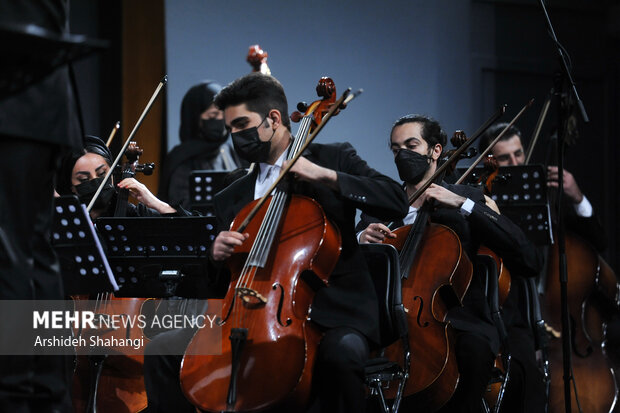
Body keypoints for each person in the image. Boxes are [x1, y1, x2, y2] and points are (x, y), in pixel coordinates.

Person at [143, 72, 408, 413]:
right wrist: (215, 255)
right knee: (163, 348)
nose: (235, 136)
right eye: (230, 129)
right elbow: (216, 282)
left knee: (340, 359)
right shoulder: (232, 192)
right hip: (245, 314)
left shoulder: (333, 158)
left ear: (273, 119)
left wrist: (324, 176)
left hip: (330, 315)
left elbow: (395, 200)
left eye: (242, 124)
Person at [356, 114, 543, 413]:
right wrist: (361, 240)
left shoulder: (467, 198)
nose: (402, 154)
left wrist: (463, 204)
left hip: (457, 322)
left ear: (436, 151)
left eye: (411, 144)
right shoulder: (383, 204)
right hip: (389, 321)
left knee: (473, 352)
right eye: (395, 148)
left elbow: (527, 257)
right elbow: (351, 267)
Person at [479, 123, 615, 412]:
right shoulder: (483, 201)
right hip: (511, 317)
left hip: (559, 321)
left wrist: (576, 197)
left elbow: (598, 241)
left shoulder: (546, 196)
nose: (516, 164)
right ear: (489, 161)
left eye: (519, 154)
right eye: (505, 159)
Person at [0, 1, 82, 411]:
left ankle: (13, 392)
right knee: (34, 252)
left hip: (12, 98)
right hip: (41, 101)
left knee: (10, 255)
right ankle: (46, 394)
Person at [158, 81, 243, 210]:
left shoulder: (229, 151)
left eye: (223, 114)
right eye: (213, 115)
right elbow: (179, 208)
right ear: (195, 118)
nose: (220, 119)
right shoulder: (181, 158)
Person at [56, 135, 183, 219]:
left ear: (112, 172)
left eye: (101, 174)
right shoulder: (66, 220)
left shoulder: (132, 214)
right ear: (71, 186)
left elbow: (192, 230)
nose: (96, 181)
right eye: (84, 179)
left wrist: (156, 203)